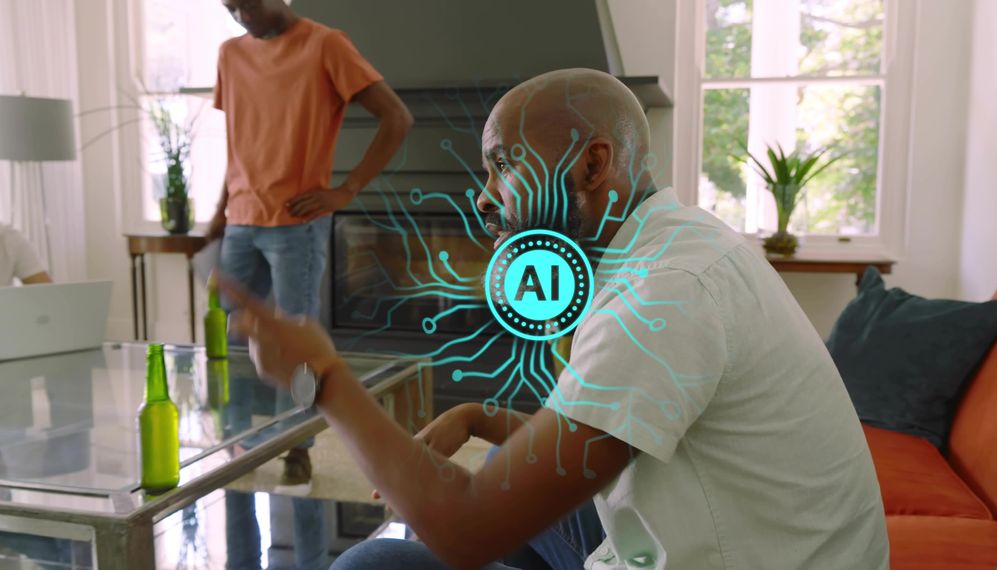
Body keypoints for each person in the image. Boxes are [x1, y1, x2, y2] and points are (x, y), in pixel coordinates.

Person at [223, 68, 888, 569]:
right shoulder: (670, 245)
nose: (485, 200)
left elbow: (465, 529)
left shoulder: (664, 297)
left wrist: (323, 378)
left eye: (503, 168)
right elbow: (610, 433)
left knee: (374, 563)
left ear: (592, 164)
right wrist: (480, 415)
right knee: (503, 491)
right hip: (738, 541)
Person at [209, 1, 412, 567]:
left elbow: (396, 117)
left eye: (248, 2)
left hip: (297, 223)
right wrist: (217, 218)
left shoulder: (327, 44)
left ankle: (297, 450)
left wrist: (345, 192)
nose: (241, 14)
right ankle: (237, 449)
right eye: (229, 6)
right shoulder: (229, 54)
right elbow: (238, 148)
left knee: (298, 349)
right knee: (228, 345)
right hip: (240, 223)